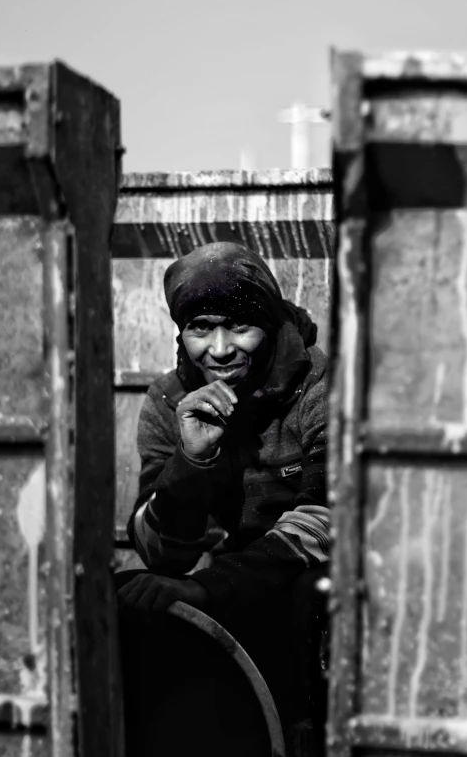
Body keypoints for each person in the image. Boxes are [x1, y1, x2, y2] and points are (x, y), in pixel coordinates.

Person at [116, 242, 330, 749]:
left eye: (239, 326)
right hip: (222, 582)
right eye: (201, 328)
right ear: (182, 332)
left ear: (272, 324)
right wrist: (192, 463)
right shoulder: (169, 400)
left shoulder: (322, 387)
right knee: (120, 594)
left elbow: (325, 521)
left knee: (313, 598)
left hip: (297, 586)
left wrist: (210, 589)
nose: (219, 349)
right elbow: (162, 553)